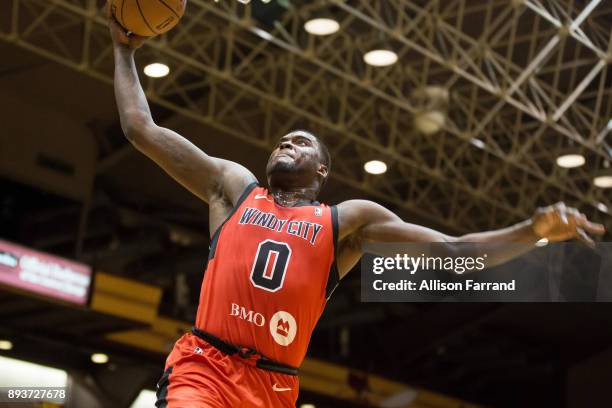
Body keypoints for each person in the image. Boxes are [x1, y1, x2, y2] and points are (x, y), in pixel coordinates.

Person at [106, 9, 605, 408]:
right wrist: (123, 49)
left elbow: (453, 250)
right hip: (207, 367)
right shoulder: (234, 189)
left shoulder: (345, 222)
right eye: (283, 139)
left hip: (273, 389)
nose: (287, 143)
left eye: (301, 143)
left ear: (322, 170)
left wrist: (531, 230)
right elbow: (141, 130)